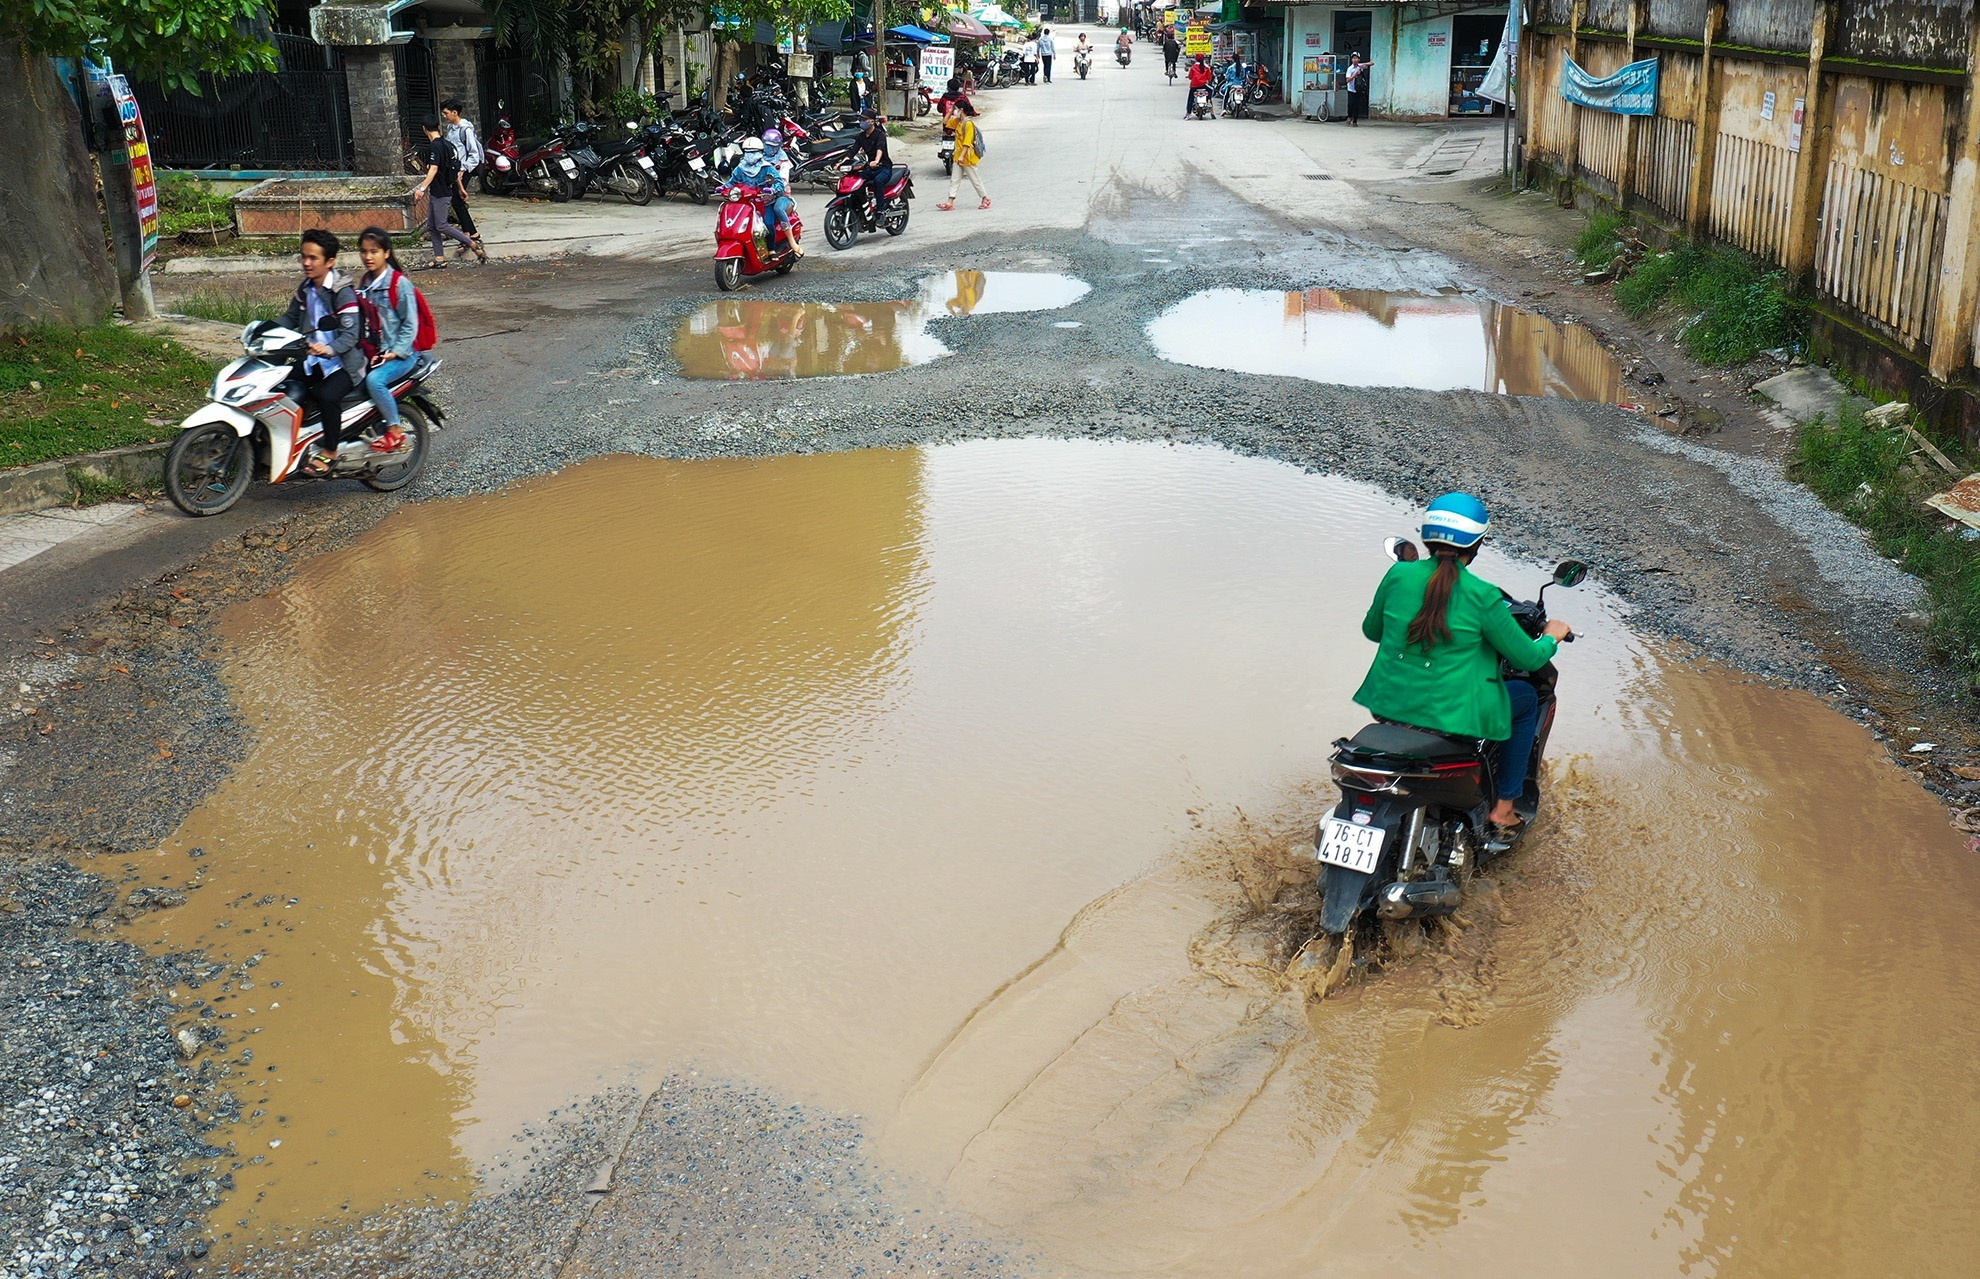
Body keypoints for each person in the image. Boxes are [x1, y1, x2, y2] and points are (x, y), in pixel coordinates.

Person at [1352, 494, 1571, 830]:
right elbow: (1526, 657)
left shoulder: (1399, 574)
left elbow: (1372, 630)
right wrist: (1551, 637)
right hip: (1450, 715)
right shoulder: (1482, 595)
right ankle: (1504, 807)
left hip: (1386, 704)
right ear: (1478, 543)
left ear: (1427, 538)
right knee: (1526, 700)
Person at [277, 229, 365, 476]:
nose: (306, 263)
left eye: (313, 258)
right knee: (280, 380)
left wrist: (328, 349)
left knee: (326, 396)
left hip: (343, 363)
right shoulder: (306, 288)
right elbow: (291, 318)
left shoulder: (342, 292)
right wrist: (262, 329)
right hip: (312, 359)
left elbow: (350, 336)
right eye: (304, 256)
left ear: (330, 262)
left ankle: (330, 451)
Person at [354, 227, 417, 454]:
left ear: (387, 253)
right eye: (364, 251)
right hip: (375, 353)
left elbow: (411, 325)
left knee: (375, 382)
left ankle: (395, 430)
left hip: (403, 354)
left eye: (374, 251)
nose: (368, 257)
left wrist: (395, 352)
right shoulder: (365, 283)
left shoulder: (400, 285)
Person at [411, 115, 482, 268]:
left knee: (441, 225)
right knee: (432, 225)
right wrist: (461, 188)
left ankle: (470, 243)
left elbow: (434, 169)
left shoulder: (435, 146)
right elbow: (455, 169)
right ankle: (439, 259)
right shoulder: (448, 145)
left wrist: (421, 189)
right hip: (444, 190)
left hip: (440, 191)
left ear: (424, 129)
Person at [728, 136, 802, 256]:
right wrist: (724, 188)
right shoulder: (740, 168)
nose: (750, 155)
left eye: (753, 152)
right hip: (748, 202)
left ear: (760, 152)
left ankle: (772, 249)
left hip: (766, 202)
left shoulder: (767, 167)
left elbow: (779, 181)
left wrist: (772, 190)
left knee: (768, 223)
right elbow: (732, 181)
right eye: (747, 152)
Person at [438, 98, 485, 256]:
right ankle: (467, 234)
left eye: (446, 113)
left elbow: (474, 155)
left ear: (454, 112)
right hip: (455, 171)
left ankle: (473, 235)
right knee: (456, 201)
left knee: (457, 201)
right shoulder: (452, 129)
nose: (444, 116)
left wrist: (463, 169)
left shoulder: (466, 130)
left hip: (463, 170)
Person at [935, 101, 989, 211]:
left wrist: (961, 156)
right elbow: (945, 122)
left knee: (975, 179)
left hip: (967, 157)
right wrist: (950, 112)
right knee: (954, 180)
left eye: (955, 109)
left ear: (961, 110)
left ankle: (985, 198)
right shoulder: (958, 122)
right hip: (958, 156)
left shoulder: (968, 124)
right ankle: (950, 202)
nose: (954, 111)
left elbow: (967, 143)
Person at [851, 110, 893, 220]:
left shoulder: (880, 135)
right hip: (870, 168)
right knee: (856, 181)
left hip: (884, 167)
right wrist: (841, 162)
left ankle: (880, 211)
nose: (862, 122)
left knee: (878, 181)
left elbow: (880, 149)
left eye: (864, 120)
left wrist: (876, 161)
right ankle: (863, 207)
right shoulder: (861, 136)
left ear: (872, 121)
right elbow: (852, 151)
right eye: (861, 120)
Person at [1345, 51, 1369, 126]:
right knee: (1350, 104)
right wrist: (1355, 75)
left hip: (1358, 89)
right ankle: (1349, 117)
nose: (1355, 60)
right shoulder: (1350, 69)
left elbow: (1372, 63)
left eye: (1356, 58)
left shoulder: (1360, 66)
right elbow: (1347, 80)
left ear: (1359, 59)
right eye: (1353, 58)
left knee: (1356, 105)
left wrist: (1362, 65)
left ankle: (1355, 121)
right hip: (1351, 89)